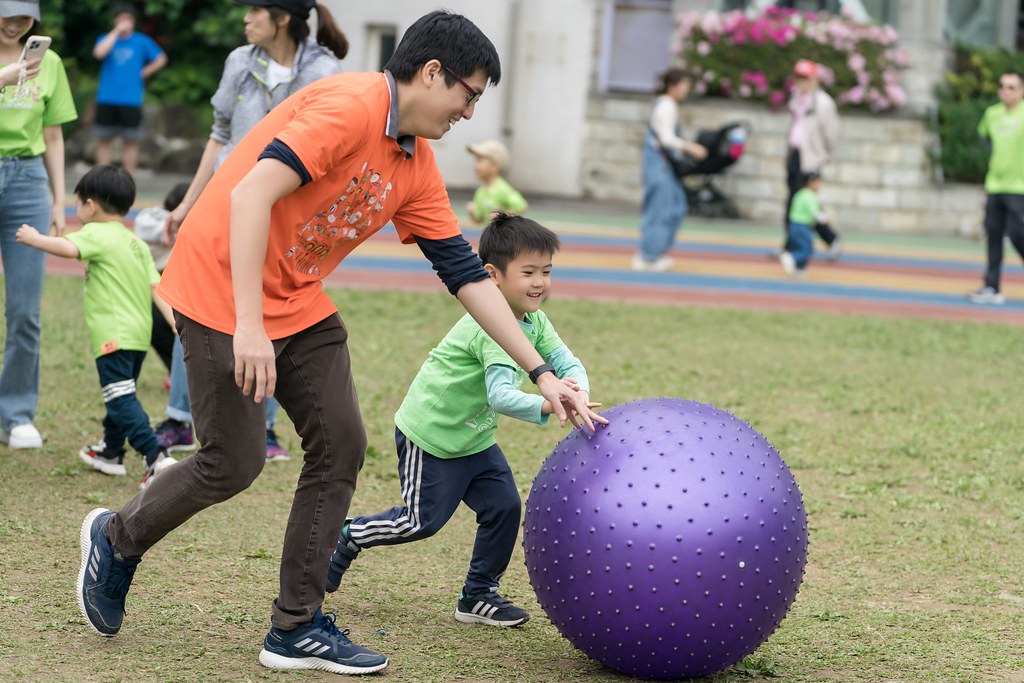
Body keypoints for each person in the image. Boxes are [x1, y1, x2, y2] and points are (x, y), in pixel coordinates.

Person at [75, 10, 600, 676]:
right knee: (233, 461)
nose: (470, 111)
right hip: (219, 288)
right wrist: (248, 324)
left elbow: (465, 273)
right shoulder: (349, 107)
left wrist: (541, 371)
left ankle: (295, 625)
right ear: (432, 73)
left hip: (297, 302)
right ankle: (116, 539)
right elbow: (249, 196)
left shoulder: (415, 161)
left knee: (343, 441)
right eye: (468, 93)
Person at [325, 213, 607, 628]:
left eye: (546, 272)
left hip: (474, 438)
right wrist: (548, 405)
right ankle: (349, 535)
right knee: (420, 522)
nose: (539, 282)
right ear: (492, 276)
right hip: (432, 437)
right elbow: (501, 395)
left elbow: (565, 360)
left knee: (505, 507)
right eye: (528, 272)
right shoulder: (489, 328)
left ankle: (478, 595)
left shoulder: (535, 320)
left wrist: (577, 390)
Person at [159, 0, 350, 459]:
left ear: (281, 17)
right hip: (228, 202)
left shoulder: (324, 69)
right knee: (201, 305)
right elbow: (219, 134)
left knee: (269, 310)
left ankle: (263, 428)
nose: (244, 19)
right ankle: (180, 418)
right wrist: (189, 202)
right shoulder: (240, 62)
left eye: (254, 11)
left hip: (286, 212)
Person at [15, 165, 178, 490]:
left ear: (91, 205)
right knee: (122, 391)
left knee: (119, 398)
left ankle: (155, 454)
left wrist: (36, 240)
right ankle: (111, 451)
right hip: (138, 335)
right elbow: (157, 288)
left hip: (113, 335)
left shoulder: (96, 234)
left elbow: (69, 248)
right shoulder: (136, 243)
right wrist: (175, 322)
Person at [0, 0, 77, 450]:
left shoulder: (48, 62)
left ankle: (16, 412)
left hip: (28, 179)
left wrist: (58, 197)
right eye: (6, 13)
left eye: (24, 17)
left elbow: (53, 134)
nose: (13, 25)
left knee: (25, 311)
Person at [634, 67, 707, 273]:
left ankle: (657, 252)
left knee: (676, 207)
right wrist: (691, 147)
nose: (686, 90)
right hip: (659, 166)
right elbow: (666, 139)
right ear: (672, 86)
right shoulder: (666, 106)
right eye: (684, 85)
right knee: (659, 211)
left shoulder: (668, 105)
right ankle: (647, 256)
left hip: (665, 167)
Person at [134, 181, 191, 427]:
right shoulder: (153, 217)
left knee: (181, 329)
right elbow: (154, 231)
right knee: (161, 324)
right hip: (153, 288)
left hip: (175, 289)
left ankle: (180, 375)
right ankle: (175, 372)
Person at [968, 71, 1024, 306]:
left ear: (1021, 91)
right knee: (993, 237)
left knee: (1018, 235)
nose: (1005, 91)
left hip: (1019, 188)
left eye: (1011, 87)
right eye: (1002, 86)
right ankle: (992, 285)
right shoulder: (992, 114)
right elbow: (985, 138)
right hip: (995, 185)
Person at [92, 4, 167, 175]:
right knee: (104, 139)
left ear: (133, 21)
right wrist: (116, 32)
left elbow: (161, 59)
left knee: (131, 141)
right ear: (115, 20)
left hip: (131, 99)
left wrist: (145, 72)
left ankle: (128, 179)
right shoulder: (106, 38)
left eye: (127, 19)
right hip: (107, 97)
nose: (124, 22)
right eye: (121, 19)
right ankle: (101, 177)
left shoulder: (142, 41)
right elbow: (99, 53)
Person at [779, 59, 842, 260]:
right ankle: (791, 244)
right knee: (795, 202)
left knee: (806, 203)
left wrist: (826, 154)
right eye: (798, 77)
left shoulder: (823, 103)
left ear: (815, 79)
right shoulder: (796, 99)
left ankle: (829, 239)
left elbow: (832, 133)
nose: (801, 82)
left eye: (805, 78)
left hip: (811, 158)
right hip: (796, 155)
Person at [465, 139, 527, 224]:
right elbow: (478, 220)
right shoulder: (480, 192)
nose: (475, 165)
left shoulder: (502, 188)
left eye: (479, 160)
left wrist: (503, 215)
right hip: (491, 236)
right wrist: (472, 212)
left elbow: (522, 207)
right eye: (475, 160)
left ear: (495, 165)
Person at [779, 171, 824, 279]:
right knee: (807, 249)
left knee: (798, 247)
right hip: (802, 226)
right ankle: (792, 259)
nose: (820, 186)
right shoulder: (811, 196)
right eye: (818, 183)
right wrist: (825, 219)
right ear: (811, 183)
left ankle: (800, 269)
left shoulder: (799, 194)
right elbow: (815, 213)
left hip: (793, 225)